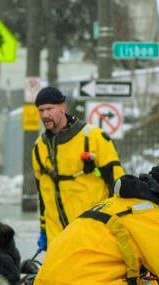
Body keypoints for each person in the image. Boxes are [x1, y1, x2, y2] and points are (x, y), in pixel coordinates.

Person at [31, 86, 123, 253]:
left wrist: (117, 225)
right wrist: (43, 229)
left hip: (93, 235)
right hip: (57, 240)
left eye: (50, 109)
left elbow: (119, 186)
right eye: (41, 110)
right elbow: (42, 195)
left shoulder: (94, 138)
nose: (45, 115)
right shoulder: (39, 148)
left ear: (63, 107)